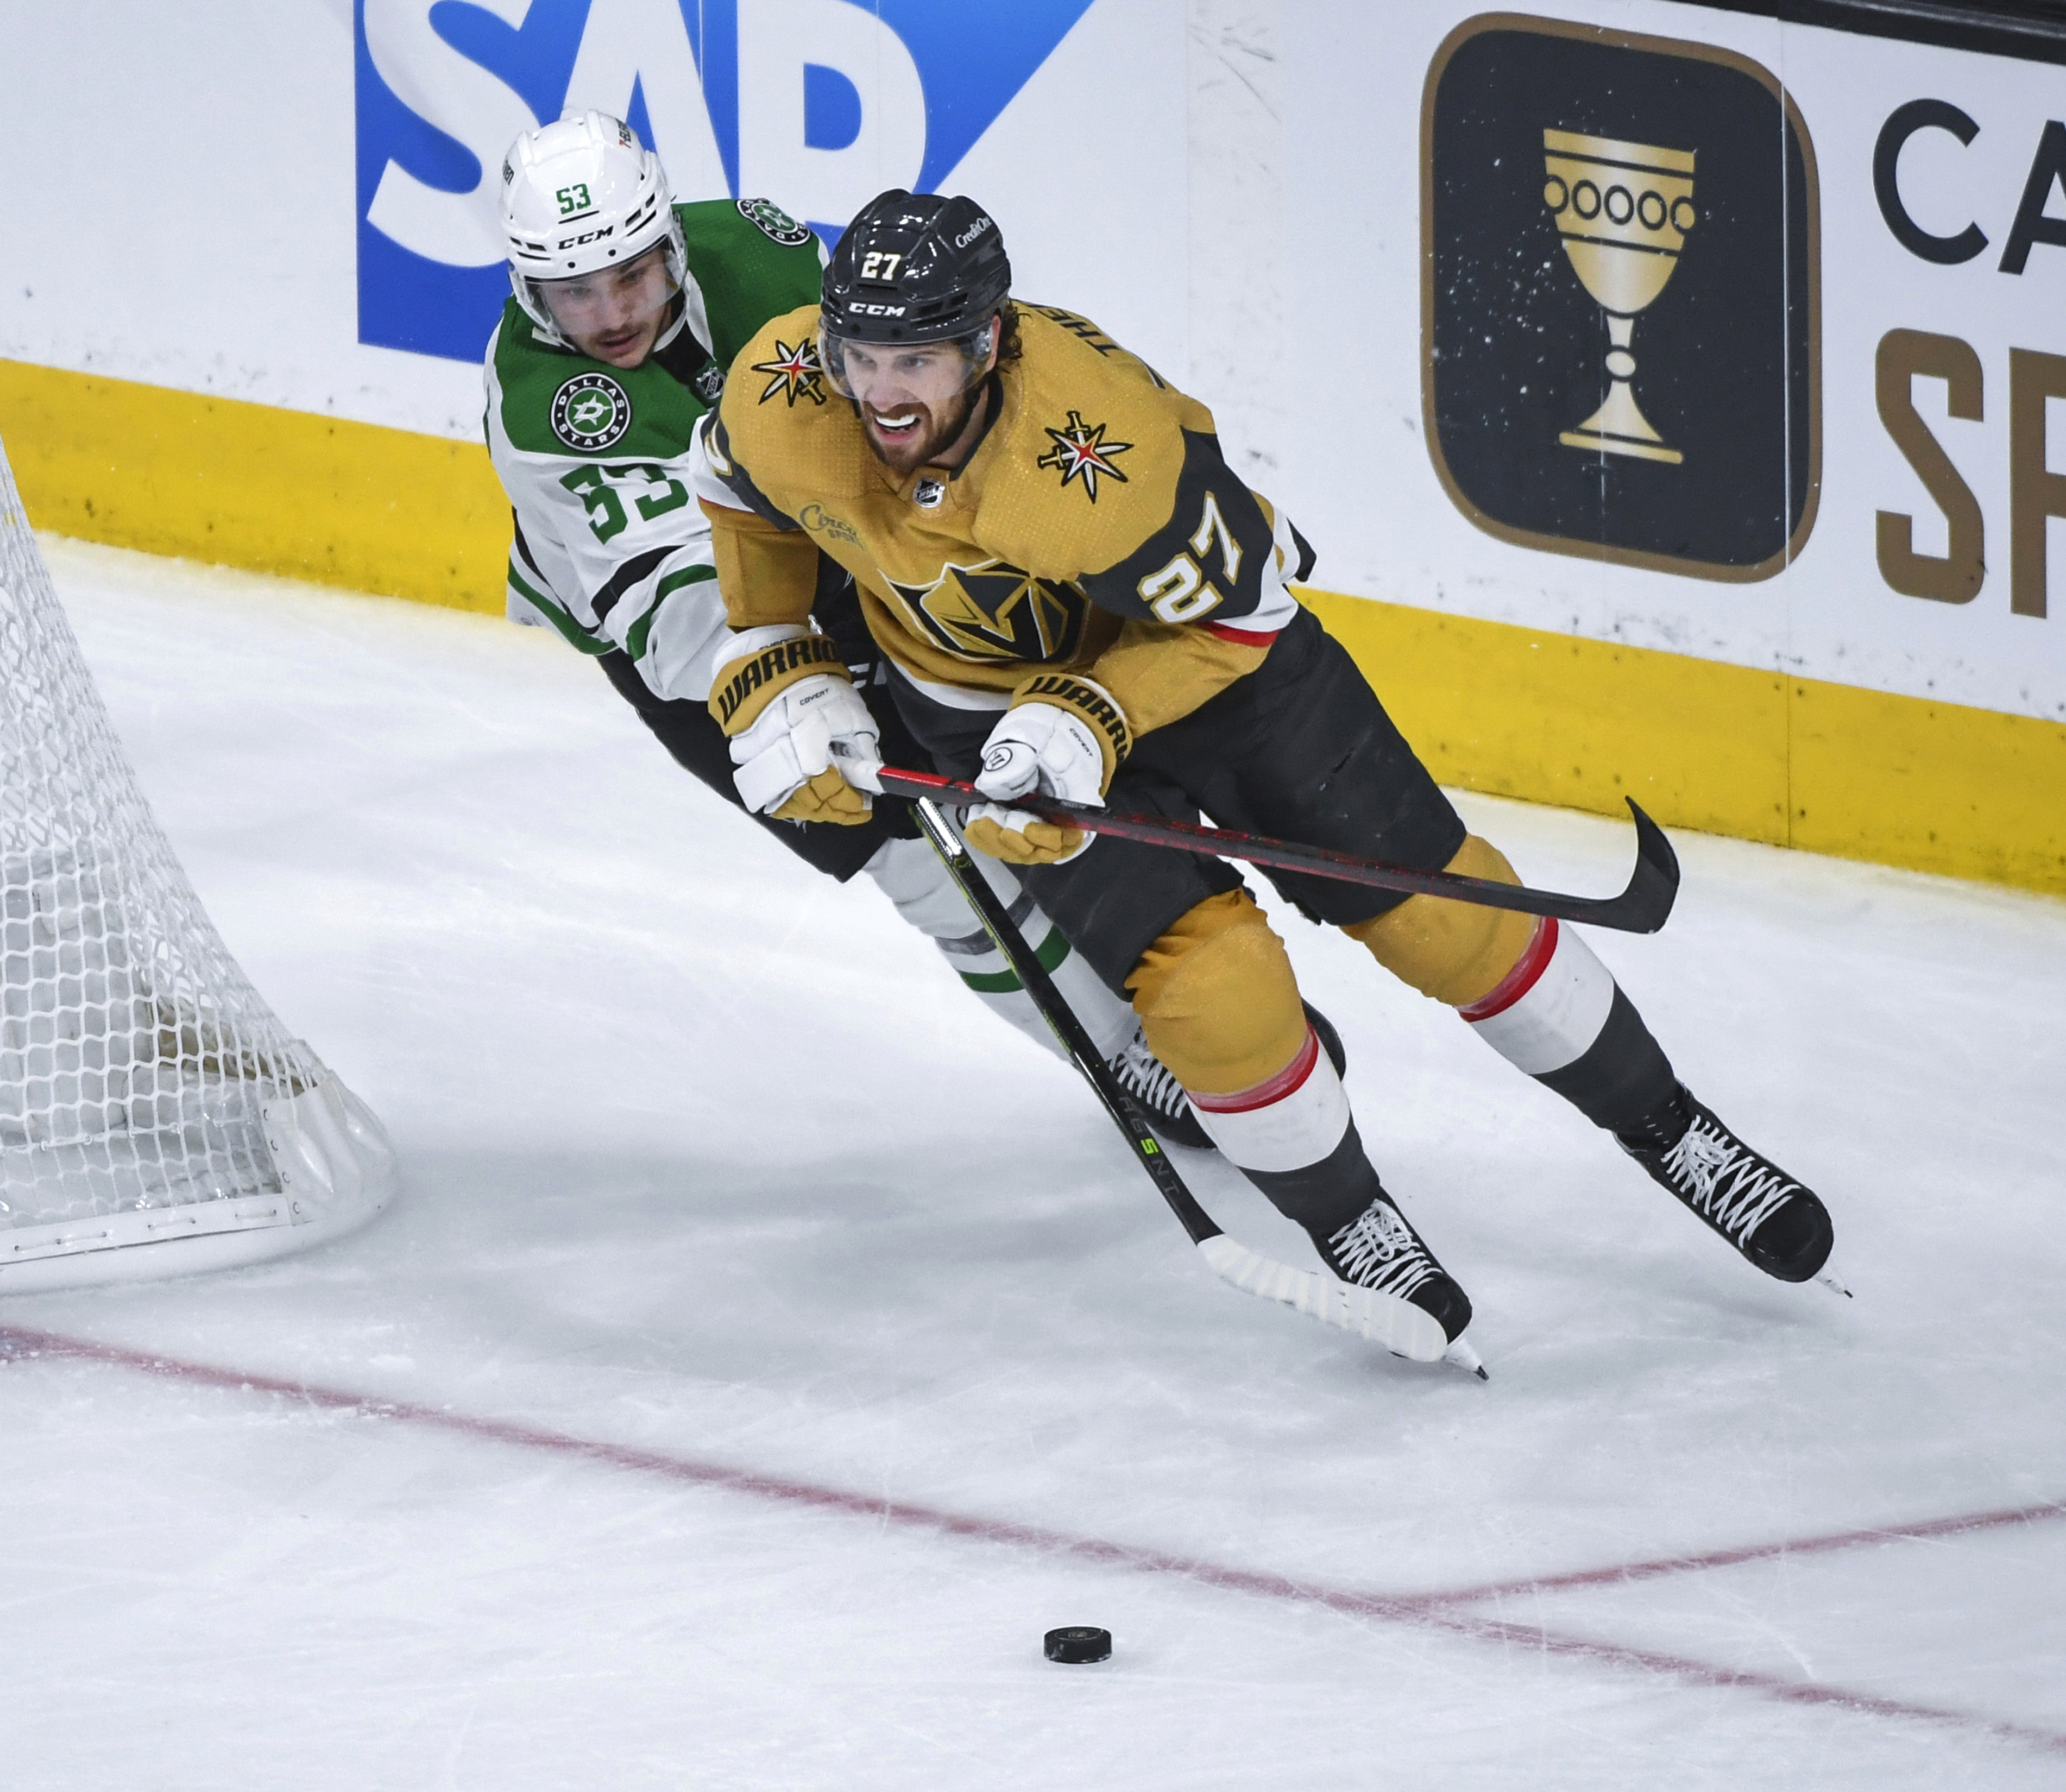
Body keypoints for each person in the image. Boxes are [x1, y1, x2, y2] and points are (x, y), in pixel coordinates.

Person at [690, 191, 1836, 1366]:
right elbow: (740, 491)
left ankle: (1670, 1126)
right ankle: (1353, 1222)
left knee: (1437, 914)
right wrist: (778, 653)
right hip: (985, 710)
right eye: (864, 354)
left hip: (1205, 659)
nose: (881, 391)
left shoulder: (1092, 450)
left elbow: (1244, 611)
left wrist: (1094, 709)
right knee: (1213, 993)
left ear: (985, 345)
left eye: (917, 360)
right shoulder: (786, 393)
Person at [478, 114, 1213, 1142]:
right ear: (527, 288)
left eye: (631, 278)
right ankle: (1120, 1056)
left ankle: (1205, 1006)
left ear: (671, 244)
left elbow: (875, 411)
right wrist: (796, 679)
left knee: (1016, 780)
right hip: (701, 653)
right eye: (572, 293)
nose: (609, 315)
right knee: (918, 862)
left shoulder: (762, 250)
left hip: (845, 563)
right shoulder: (539, 407)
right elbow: (673, 614)